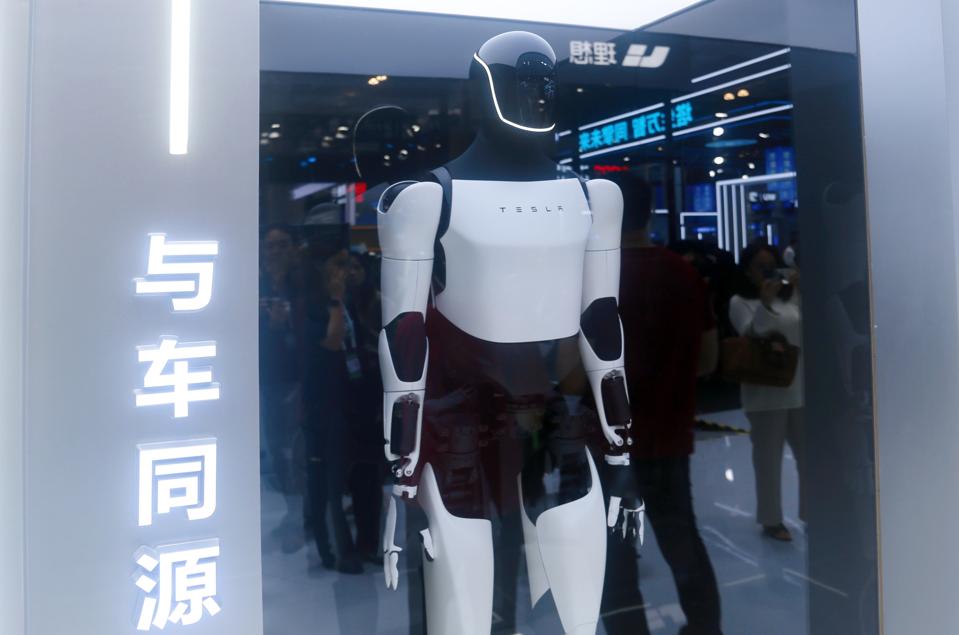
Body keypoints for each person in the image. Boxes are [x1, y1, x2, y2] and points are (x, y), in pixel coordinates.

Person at [601, 171, 723, 635]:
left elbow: (571, 374)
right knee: (682, 541)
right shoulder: (685, 273)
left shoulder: (598, 277)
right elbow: (707, 360)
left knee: (616, 557)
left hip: (610, 442)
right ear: (650, 212)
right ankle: (705, 628)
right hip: (670, 435)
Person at [729, 241, 804, 542]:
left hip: (799, 388)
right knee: (768, 461)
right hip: (764, 392)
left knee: (808, 457)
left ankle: (812, 512)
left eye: (772, 266)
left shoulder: (791, 296)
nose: (768, 272)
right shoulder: (740, 302)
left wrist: (799, 289)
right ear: (748, 271)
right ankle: (772, 520)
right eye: (761, 267)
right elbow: (752, 334)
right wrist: (765, 303)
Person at [300, 241, 364, 573]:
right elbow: (333, 341)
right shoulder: (313, 306)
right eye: (339, 265)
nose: (345, 272)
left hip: (346, 398)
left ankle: (349, 547)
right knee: (328, 483)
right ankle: (336, 552)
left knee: (342, 477)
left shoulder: (345, 301)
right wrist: (337, 301)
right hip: (323, 404)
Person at [259, 224, 305, 554]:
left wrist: (288, 320)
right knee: (278, 451)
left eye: (282, 244)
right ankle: (294, 516)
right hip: (267, 377)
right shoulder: (255, 283)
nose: (276, 251)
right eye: (270, 246)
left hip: (299, 377)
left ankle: (300, 521)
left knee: (296, 453)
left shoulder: (303, 283)